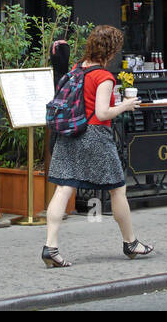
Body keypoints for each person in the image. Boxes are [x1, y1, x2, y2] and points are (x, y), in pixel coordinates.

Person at [42, 25, 153, 268]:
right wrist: (126, 105)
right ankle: (130, 242)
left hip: (69, 134)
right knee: (117, 190)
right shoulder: (104, 77)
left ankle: (50, 247)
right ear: (111, 50)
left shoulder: (76, 70)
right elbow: (102, 112)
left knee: (63, 189)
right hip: (94, 135)